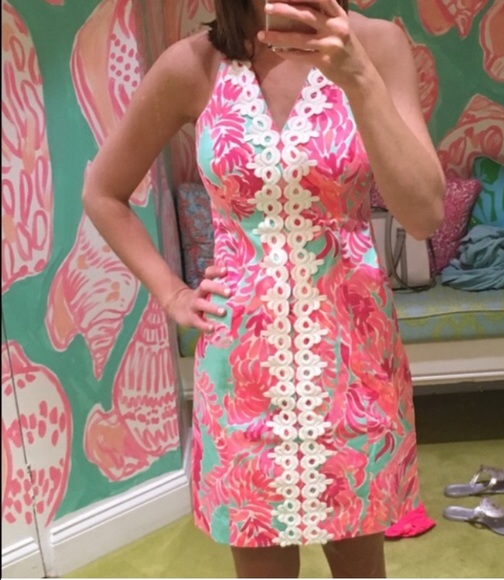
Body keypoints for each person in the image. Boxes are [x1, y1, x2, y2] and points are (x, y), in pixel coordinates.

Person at [83, 0, 445, 577]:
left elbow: (424, 215)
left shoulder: (376, 46)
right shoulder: (195, 65)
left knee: (359, 563)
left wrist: (359, 77)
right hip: (242, 373)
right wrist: (173, 294)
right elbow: (103, 191)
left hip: (353, 361)